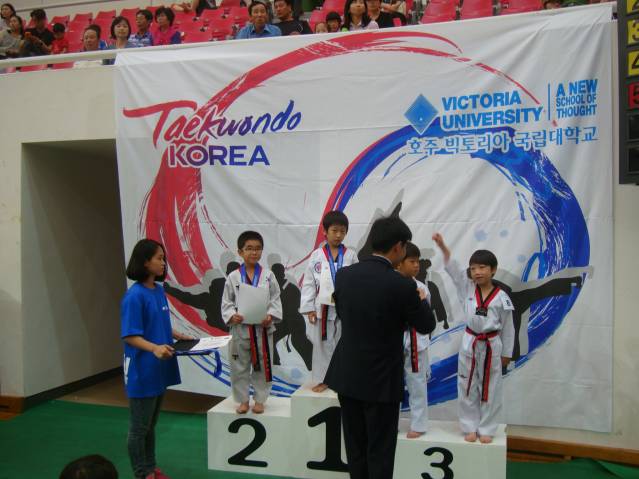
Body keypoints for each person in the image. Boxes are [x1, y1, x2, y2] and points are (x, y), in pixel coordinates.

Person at [324, 216, 436, 479]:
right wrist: (420, 299)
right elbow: (426, 324)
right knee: (380, 453)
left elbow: (344, 311)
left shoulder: (345, 275)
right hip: (382, 381)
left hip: (348, 375)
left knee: (355, 450)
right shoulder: (403, 285)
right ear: (398, 247)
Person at [432, 233, 515, 444]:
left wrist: (507, 354)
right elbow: (453, 268)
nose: (477, 272)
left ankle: (487, 428)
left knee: (491, 386)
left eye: (482, 267)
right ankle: (469, 426)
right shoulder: (467, 287)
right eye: (473, 268)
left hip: (492, 344)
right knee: (467, 384)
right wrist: (442, 246)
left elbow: (508, 328)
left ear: (493, 269)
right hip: (470, 341)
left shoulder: (502, 297)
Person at [121, 238, 192, 479]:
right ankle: (142, 473)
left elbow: (156, 322)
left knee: (150, 425)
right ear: (145, 262)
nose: (163, 263)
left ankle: (151, 468)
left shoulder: (158, 290)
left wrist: (177, 334)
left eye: (164, 258)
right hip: (143, 370)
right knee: (139, 428)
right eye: (159, 258)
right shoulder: (134, 296)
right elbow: (130, 335)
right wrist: (154, 348)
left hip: (159, 368)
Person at [221, 231, 283, 414]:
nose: (254, 252)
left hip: (262, 329)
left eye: (258, 249)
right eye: (249, 248)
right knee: (238, 366)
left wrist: (271, 315)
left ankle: (260, 400)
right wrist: (232, 315)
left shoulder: (268, 275)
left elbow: (275, 299)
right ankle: (242, 400)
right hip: (240, 329)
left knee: (263, 365)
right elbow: (226, 302)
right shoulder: (233, 277)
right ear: (240, 252)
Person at [300, 210, 358, 393]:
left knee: (344, 344)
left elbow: (357, 282)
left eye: (342, 231)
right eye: (334, 230)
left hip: (344, 308)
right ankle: (323, 380)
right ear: (325, 231)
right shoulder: (317, 255)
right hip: (322, 308)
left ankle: (343, 379)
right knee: (321, 346)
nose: (338, 235)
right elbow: (309, 283)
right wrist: (309, 308)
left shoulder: (351, 255)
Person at [397, 242, 431, 439]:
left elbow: (426, 319)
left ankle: (418, 424)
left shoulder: (422, 288)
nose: (417, 265)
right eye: (412, 261)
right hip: (394, 339)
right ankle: (390, 423)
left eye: (418, 261)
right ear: (399, 263)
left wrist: (421, 301)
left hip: (416, 339)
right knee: (392, 385)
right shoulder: (390, 284)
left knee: (417, 384)